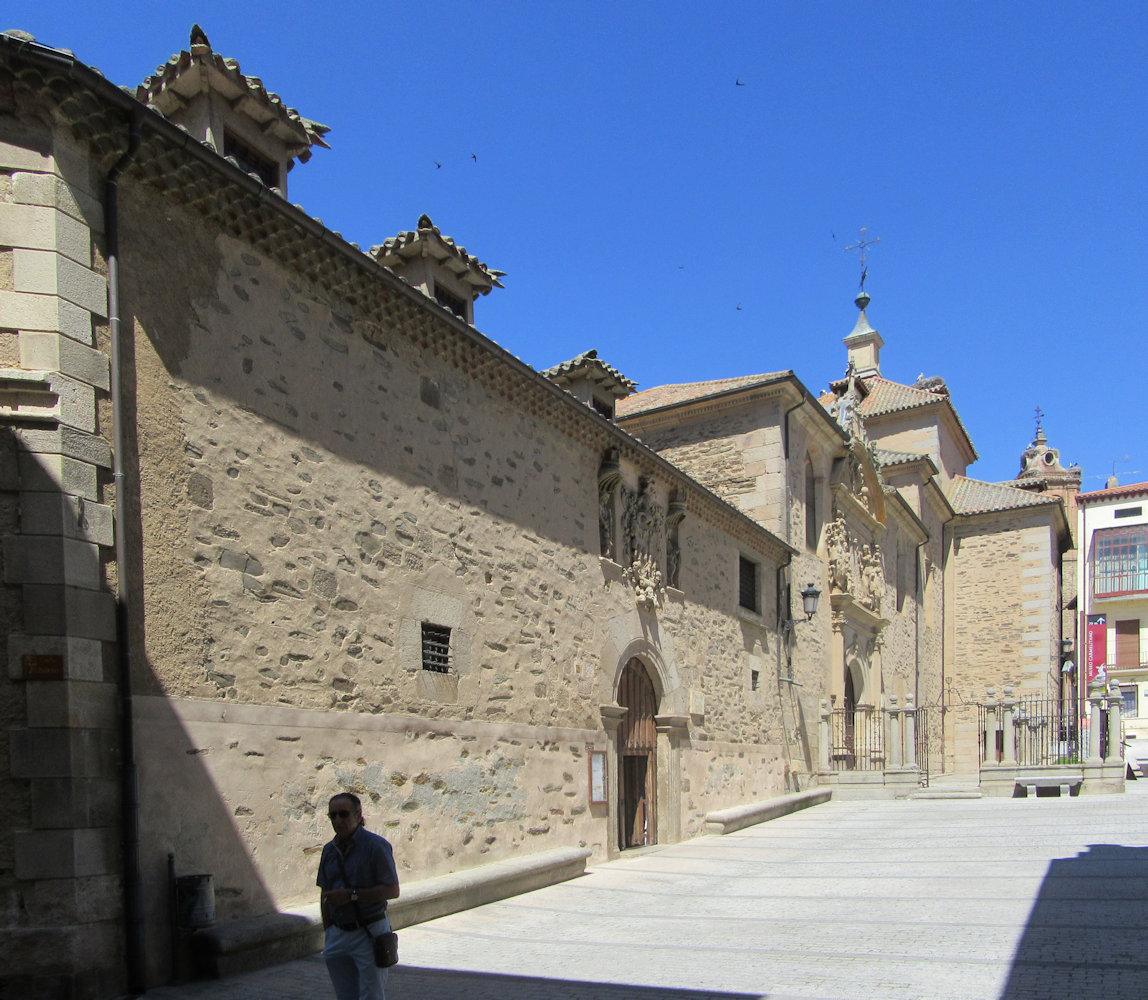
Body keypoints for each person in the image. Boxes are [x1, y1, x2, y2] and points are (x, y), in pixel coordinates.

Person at [317, 792, 400, 1000]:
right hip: (337, 933)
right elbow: (324, 893)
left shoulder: (376, 846)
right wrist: (329, 931)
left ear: (358, 814)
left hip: (369, 932)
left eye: (343, 814)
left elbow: (392, 890)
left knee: (371, 996)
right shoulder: (329, 850)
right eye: (332, 816)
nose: (338, 821)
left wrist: (352, 896)